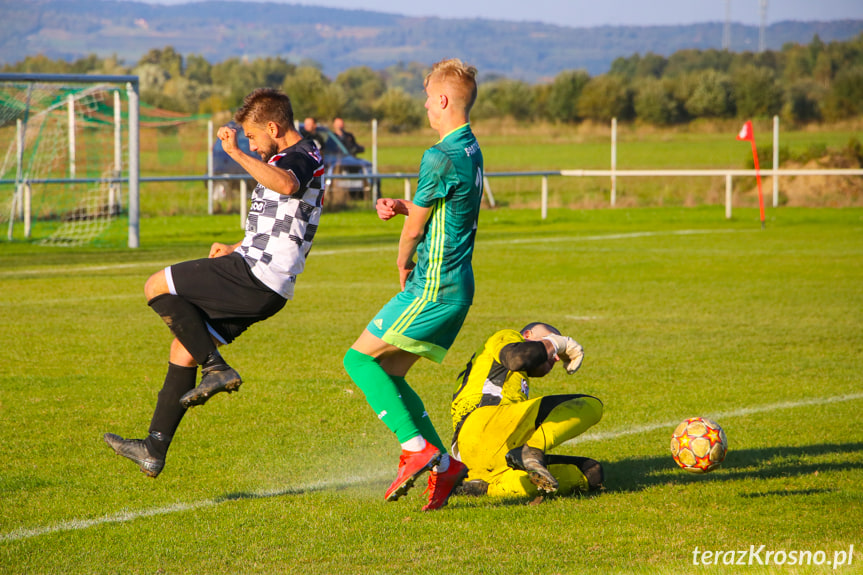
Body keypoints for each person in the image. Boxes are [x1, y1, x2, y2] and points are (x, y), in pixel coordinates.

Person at [104, 88, 325, 478]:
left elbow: (288, 186)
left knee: (156, 286)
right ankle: (153, 448)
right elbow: (285, 221)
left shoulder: (300, 157)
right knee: (183, 347)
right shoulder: (295, 156)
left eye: (255, 138)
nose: (254, 147)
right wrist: (236, 245)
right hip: (264, 281)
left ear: (273, 127)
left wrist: (235, 153)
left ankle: (217, 369)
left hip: (257, 275)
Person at [342, 58, 483, 512]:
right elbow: (444, 209)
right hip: (458, 284)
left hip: (432, 284)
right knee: (390, 372)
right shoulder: (469, 149)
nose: (425, 106)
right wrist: (405, 205)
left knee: (358, 361)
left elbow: (416, 233)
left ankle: (416, 448)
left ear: (442, 100)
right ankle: (445, 466)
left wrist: (402, 260)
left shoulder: (438, 154)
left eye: (427, 98)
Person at [450, 322, 604, 499]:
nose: (556, 357)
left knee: (589, 473)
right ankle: (530, 450)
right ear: (528, 335)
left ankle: (483, 487)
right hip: (483, 422)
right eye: (549, 337)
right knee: (589, 405)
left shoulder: (510, 379)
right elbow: (518, 358)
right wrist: (557, 343)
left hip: (476, 456)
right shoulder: (506, 336)